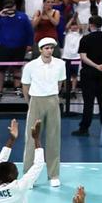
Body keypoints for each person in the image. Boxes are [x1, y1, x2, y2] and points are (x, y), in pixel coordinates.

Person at [21, 36, 66, 186]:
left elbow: (60, 83)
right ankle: (29, 176)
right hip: (36, 100)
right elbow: (25, 86)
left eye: (51, 48)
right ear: (40, 50)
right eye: (46, 48)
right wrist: (30, 103)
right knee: (31, 139)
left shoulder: (60, 64)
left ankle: (53, 175)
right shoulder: (31, 66)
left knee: (54, 138)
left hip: (53, 100)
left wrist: (53, 96)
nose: (49, 50)